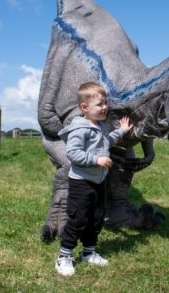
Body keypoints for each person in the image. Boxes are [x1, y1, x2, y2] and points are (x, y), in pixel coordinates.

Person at [55, 82, 133, 276]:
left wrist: (121, 131)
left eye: (106, 103)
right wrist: (96, 159)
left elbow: (107, 141)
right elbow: (73, 153)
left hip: (98, 182)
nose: (105, 107)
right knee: (78, 218)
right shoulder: (80, 129)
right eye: (99, 104)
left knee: (96, 218)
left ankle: (88, 253)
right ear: (85, 108)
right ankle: (64, 256)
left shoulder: (100, 126)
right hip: (81, 183)